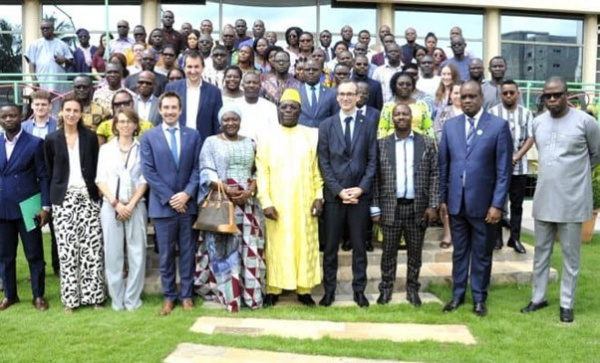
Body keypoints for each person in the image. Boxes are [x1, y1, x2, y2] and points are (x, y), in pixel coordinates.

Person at [520, 76, 600, 323]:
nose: (552, 99)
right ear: (543, 98)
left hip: (573, 199)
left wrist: (574, 175)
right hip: (544, 197)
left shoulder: (586, 122)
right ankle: (538, 297)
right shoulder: (538, 122)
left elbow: (596, 154)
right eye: (548, 95)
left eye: (557, 94)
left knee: (570, 256)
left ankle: (567, 304)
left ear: (567, 95)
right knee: (541, 252)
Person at [439, 80, 512, 317]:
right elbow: (444, 167)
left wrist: (497, 204)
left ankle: (479, 298)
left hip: (485, 207)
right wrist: (442, 199)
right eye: (464, 97)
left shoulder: (498, 126)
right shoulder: (450, 126)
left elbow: (503, 171)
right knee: (460, 252)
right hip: (457, 204)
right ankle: (458, 295)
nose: (468, 100)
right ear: (457, 99)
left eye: (472, 96)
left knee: (481, 254)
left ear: (481, 97)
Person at [256, 88, 324, 307]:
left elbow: (316, 171)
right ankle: (273, 289)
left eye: (292, 107)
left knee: (304, 246)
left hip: (304, 203)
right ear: (278, 110)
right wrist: (265, 201)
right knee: (277, 246)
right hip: (277, 205)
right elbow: (262, 172)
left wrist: (318, 197)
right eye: (284, 107)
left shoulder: (311, 135)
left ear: (299, 111)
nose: (287, 111)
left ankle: (304, 290)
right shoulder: (266, 137)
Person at [195, 105, 266, 312]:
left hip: (248, 205)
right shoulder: (211, 142)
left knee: (249, 250)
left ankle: (252, 297)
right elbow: (206, 172)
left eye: (234, 119)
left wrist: (250, 191)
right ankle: (230, 297)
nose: (230, 123)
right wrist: (226, 189)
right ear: (220, 122)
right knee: (226, 252)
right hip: (223, 203)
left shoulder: (250, 143)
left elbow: (258, 170)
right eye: (226, 119)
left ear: (240, 121)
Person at [140, 91, 202, 316]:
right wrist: (170, 198)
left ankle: (186, 296)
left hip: (187, 205)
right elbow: (149, 171)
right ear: (160, 109)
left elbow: (197, 168)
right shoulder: (148, 137)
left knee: (188, 252)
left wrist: (186, 194)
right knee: (165, 255)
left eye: (174, 107)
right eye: (165, 107)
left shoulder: (193, 135)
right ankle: (169, 297)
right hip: (163, 207)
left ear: (180, 110)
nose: (169, 111)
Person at [371, 103, 439, 306]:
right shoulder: (381, 144)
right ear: (392, 118)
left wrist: (433, 204)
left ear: (412, 117)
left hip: (417, 207)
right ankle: (386, 290)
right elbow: (375, 178)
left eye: (405, 114)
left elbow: (435, 174)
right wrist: (375, 207)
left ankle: (412, 290)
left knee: (415, 253)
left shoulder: (427, 143)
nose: (401, 117)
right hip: (391, 206)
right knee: (388, 252)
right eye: (397, 114)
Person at [318, 80, 377, 308]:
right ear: (336, 97)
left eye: (350, 94)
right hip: (335, 197)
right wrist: (339, 190)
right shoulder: (326, 125)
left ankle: (359, 292)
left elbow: (373, 160)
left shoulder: (369, 123)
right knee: (331, 247)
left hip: (359, 196)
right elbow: (323, 162)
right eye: (342, 94)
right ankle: (329, 292)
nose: (345, 98)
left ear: (357, 97)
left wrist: (361, 188)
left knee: (359, 248)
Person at [44, 94, 105, 313]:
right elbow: (50, 173)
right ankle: (71, 300)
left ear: (81, 113)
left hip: (88, 198)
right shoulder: (51, 139)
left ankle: (95, 297)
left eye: (75, 111)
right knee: (68, 251)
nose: (71, 114)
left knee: (92, 248)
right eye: (67, 110)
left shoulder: (89, 137)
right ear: (61, 112)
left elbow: (97, 165)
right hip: (64, 200)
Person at [96, 107, 148, 311]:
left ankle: (132, 299)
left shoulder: (142, 148)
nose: (125, 125)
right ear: (115, 125)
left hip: (135, 205)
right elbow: (100, 179)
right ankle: (117, 300)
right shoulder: (106, 149)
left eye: (129, 121)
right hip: (111, 206)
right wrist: (116, 203)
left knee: (137, 253)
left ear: (136, 125)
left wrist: (131, 204)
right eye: (121, 121)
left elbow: (145, 180)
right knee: (113, 254)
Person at [0, 104, 50, 312]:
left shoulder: (35, 143)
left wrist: (45, 207)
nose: (9, 119)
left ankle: (38, 295)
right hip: (2, 208)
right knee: (5, 255)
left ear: (21, 116)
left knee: (34, 253)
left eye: (12, 115)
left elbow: (43, 176)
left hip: (29, 207)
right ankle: (10, 295)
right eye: (4, 116)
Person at [489, 80, 533, 254]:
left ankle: (514, 238)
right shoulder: (493, 113)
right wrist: (502, 158)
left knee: (517, 205)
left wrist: (516, 156)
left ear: (518, 93)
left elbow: (530, 138)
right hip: (498, 169)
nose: (508, 96)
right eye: (505, 93)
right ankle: (497, 238)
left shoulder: (527, 113)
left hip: (519, 168)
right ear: (501, 94)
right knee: (498, 203)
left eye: (511, 92)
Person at [21, 91, 59, 275]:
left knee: (56, 228)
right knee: (33, 227)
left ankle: (58, 266)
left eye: (44, 104)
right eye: (37, 105)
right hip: (31, 182)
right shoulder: (24, 127)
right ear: (32, 106)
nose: (40, 108)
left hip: (53, 179)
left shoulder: (57, 125)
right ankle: (36, 269)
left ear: (50, 106)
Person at [165, 50, 222, 145]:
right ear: (184, 68)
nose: (193, 71)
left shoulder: (214, 92)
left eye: (196, 67)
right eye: (189, 67)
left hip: (204, 143)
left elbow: (216, 123)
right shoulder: (172, 88)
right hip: (176, 142)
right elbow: (165, 116)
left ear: (203, 68)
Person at [433, 82, 462, 249]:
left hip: (467, 163)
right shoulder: (443, 113)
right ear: (450, 95)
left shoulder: (471, 112)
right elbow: (438, 133)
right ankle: (447, 233)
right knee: (447, 199)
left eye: (461, 93)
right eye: (455, 93)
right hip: (448, 161)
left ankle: (461, 235)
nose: (458, 96)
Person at [378, 72, 434, 140]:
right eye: (401, 84)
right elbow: (382, 130)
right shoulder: (388, 106)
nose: (405, 87)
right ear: (394, 86)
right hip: (392, 144)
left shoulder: (421, 105)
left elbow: (428, 128)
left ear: (413, 86)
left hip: (418, 144)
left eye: (408, 84)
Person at [25, 19, 73, 97]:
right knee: (43, 105)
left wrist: (64, 60)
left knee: (58, 106)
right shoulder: (35, 44)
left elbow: (71, 62)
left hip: (59, 83)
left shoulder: (62, 44)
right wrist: (34, 81)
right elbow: (31, 64)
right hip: (42, 83)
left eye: (47, 28)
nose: (45, 30)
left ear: (53, 29)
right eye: (42, 28)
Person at [234, 72, 279, 144]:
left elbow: (275, 132)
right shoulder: (234, 106)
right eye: (248, 82)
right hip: (240, 148)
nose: (251, 85)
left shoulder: (270, 107)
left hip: (264, 150)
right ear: (242, 85)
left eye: (255, 83)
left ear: (260, 86)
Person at [297, 59, 338, 128]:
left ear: (321, 72)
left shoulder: (332, 93)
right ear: (303, 72)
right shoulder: (296, 92)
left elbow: (336, 117)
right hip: (302, 136)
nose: (311, 72)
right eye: (307, 70)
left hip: (325, 135)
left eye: (315, 70)